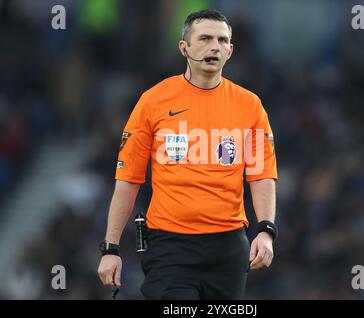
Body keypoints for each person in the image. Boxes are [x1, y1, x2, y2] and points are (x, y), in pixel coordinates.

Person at [97, 9, 278, 300]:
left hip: (229, 248)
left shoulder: (249, 106)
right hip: (170, 247)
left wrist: (266, 230)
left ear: (230, 50)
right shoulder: (153, 101)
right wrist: (111, 248)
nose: (214, 47)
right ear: (185, 47)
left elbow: (261, 175)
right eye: (205, 38)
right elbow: (128, 179)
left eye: (222, 40)